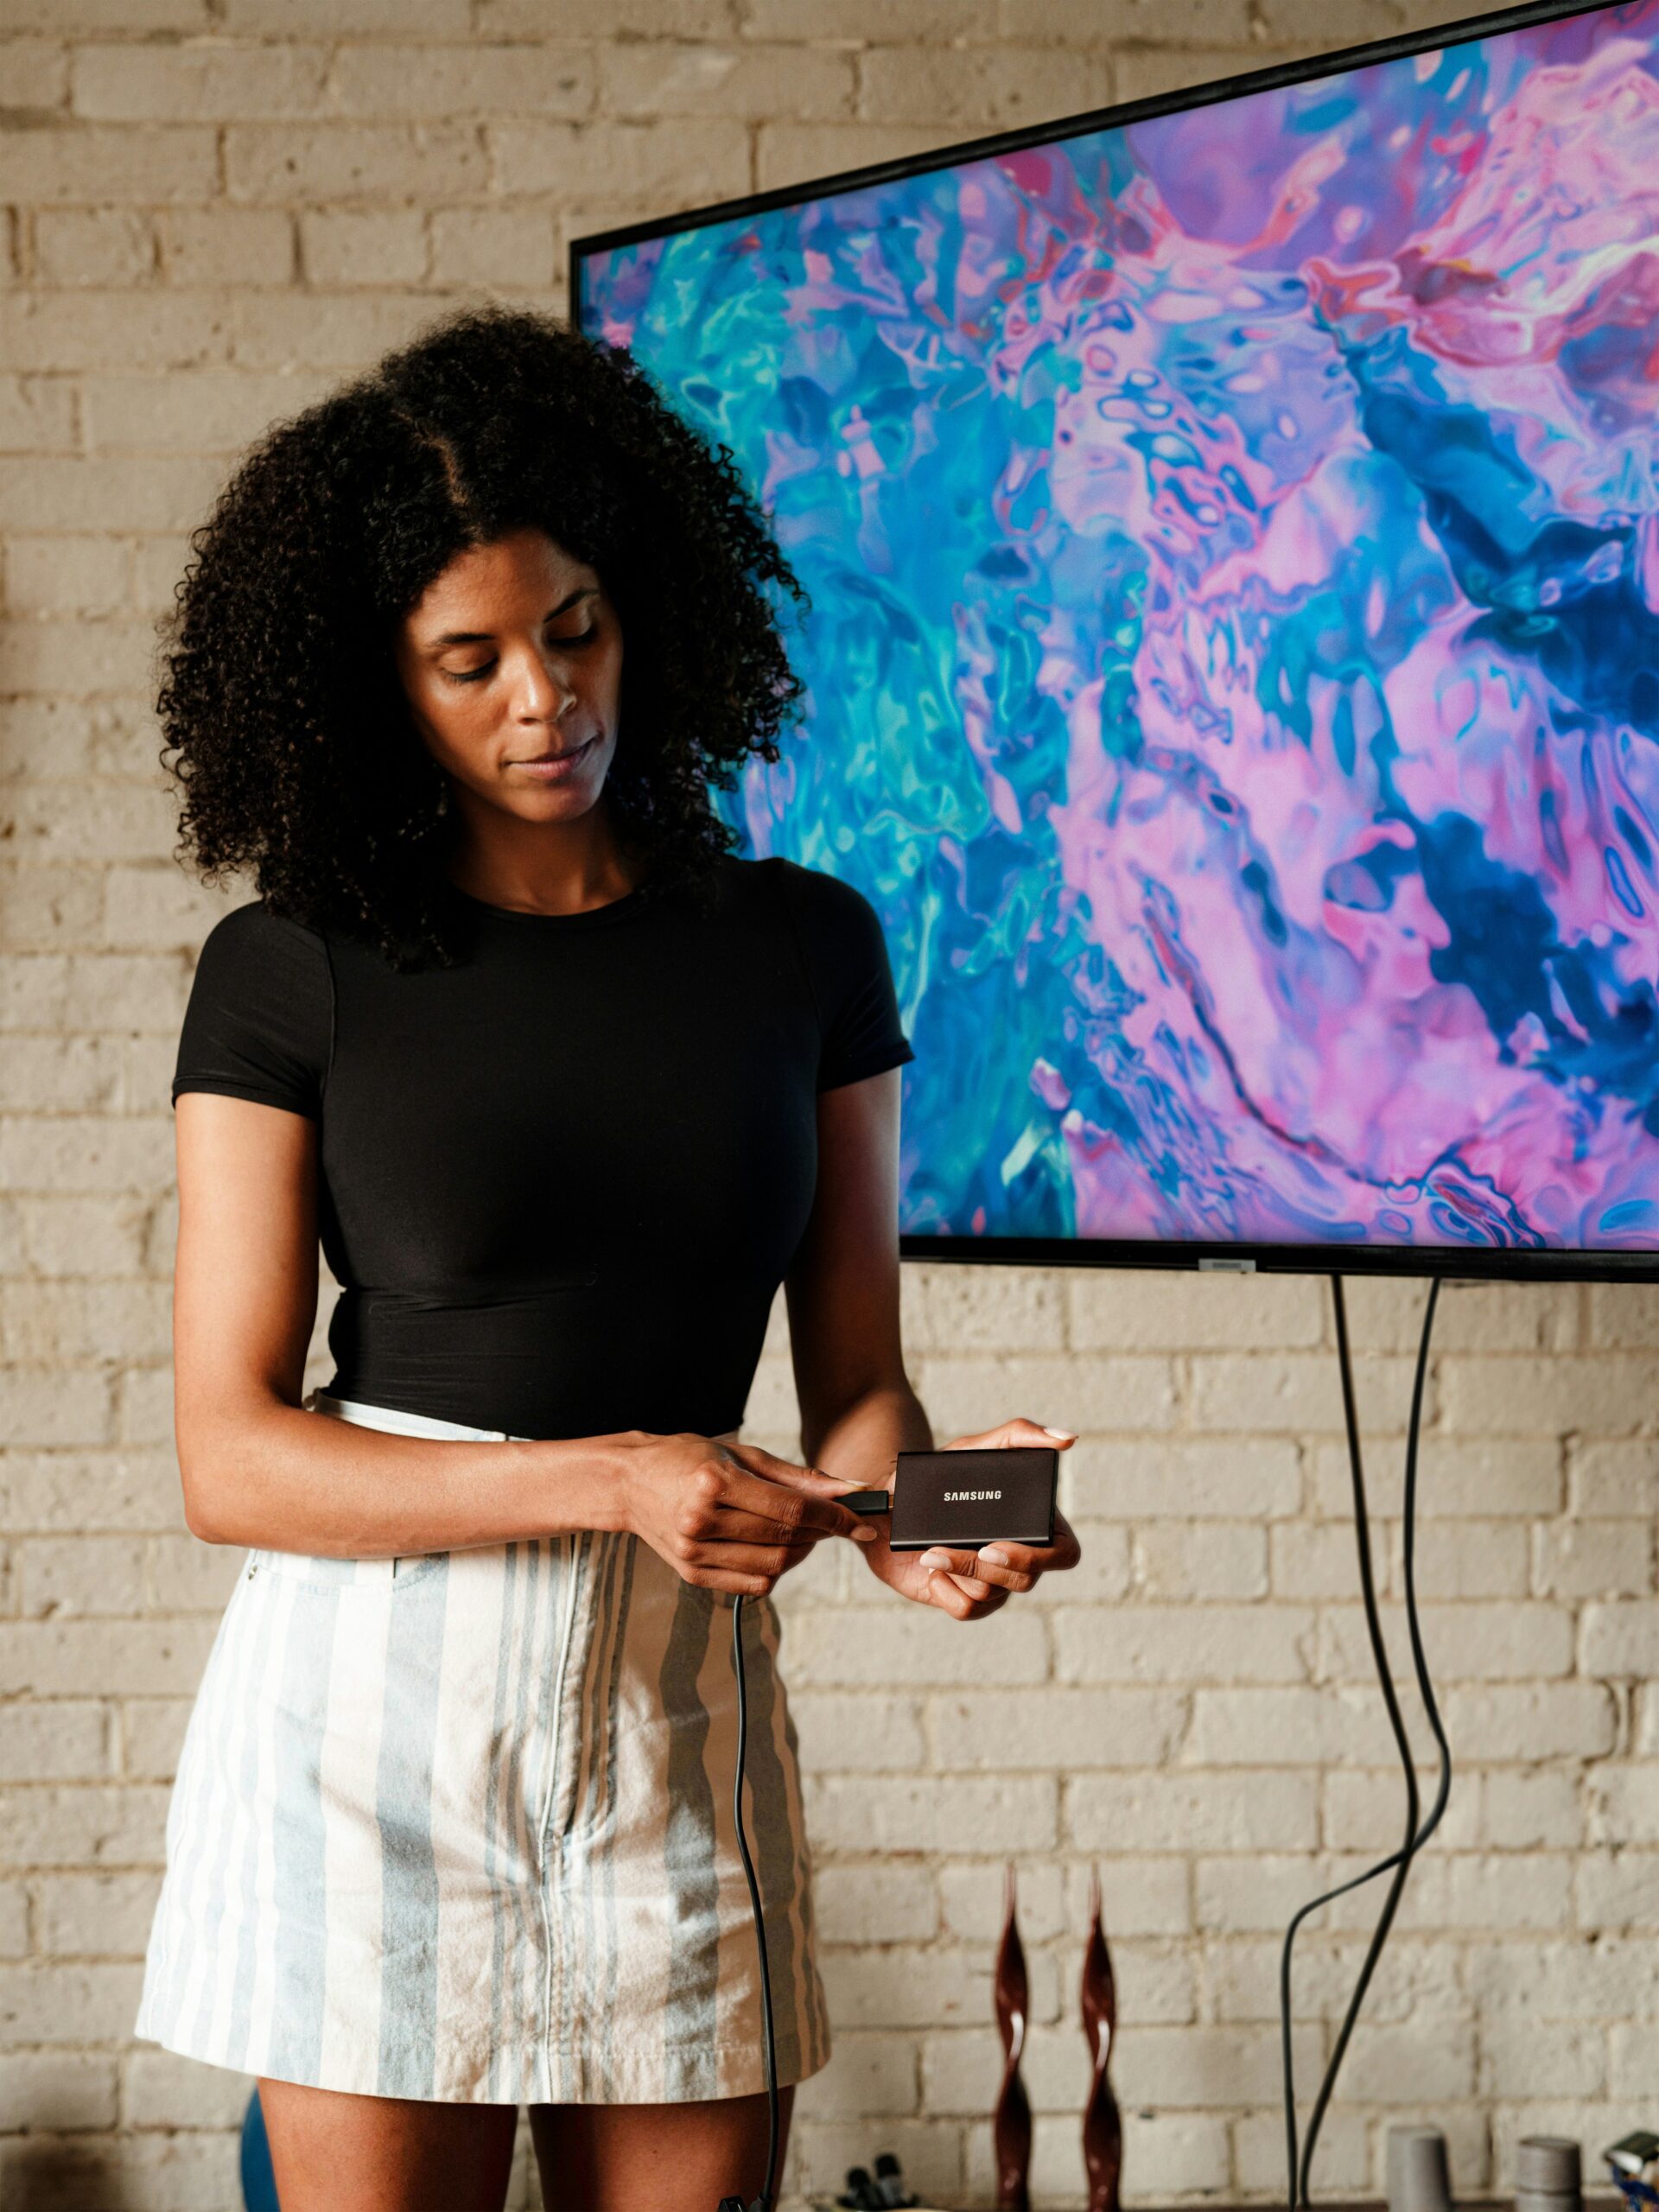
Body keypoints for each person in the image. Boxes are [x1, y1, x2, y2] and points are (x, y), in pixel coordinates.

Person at [131, 302, 1082, 2212]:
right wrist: (614, 1475)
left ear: (640, 602)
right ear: (373, 683)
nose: (542, 698)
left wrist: (941, 1509)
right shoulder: (293, 967)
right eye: (465, 660)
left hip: (679, 1715)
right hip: (369, 1731)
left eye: (573, 629)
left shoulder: (805, 947)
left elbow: (856, 1390)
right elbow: (227, 1456)